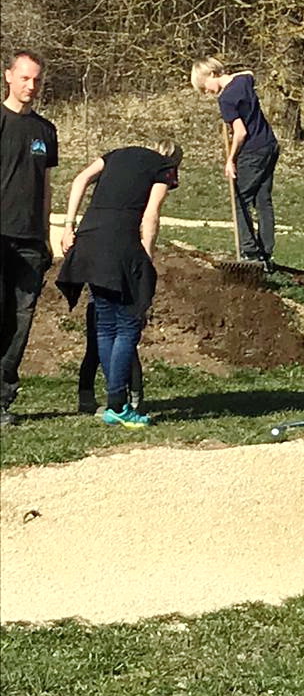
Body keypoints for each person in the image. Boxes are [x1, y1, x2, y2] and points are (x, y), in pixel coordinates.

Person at [55, 141, 183, 428]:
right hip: (120, 246)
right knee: (127, 327)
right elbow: (151, 215)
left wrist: (68, 225)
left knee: (105, 325)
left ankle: (116, 404)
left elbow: (80, 179)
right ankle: (117, 405)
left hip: (89, 241)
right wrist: (146, 257)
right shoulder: (164, 168)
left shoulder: (118, 154)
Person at [0, 50, 58, 427]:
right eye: (24, 78)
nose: (31, 86)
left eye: (36, 79)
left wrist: (49, 233)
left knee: (19, 323)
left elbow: (46, 187)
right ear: (8, 76)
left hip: (31, 241)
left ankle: (2, 402)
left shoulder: (45, 131)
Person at [190, 58, 279, 269]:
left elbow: (240, 132)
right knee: (262, 200)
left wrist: (230, 160)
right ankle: (266, 252)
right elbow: (248, 72)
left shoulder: (226, 99)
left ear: (212, 74)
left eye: (205, 88)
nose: (207, 93)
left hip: (252, 152)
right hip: (270, 145)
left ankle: (249, 252)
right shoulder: (243, 81)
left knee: (239, 199)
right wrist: (227, 76)